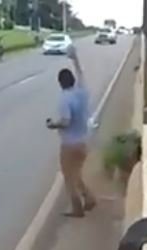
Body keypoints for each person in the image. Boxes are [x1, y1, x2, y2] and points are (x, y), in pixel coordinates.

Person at [46, 45, 97, 217]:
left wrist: (53, 125)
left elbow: (66, 121)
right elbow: (81, 73)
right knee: (76, 175)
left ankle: (77, 208)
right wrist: (75, 58)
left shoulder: (64, 99)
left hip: (69, 144)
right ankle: (89, 198)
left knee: (69, 178)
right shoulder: (82, 92)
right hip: (83, 141)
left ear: (60, 83)